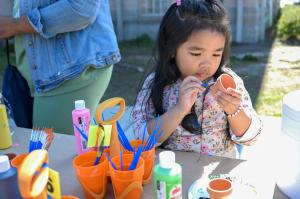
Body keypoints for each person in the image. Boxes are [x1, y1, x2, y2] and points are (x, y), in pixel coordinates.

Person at [132, 0, 262, 158]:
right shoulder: (157, 83)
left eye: (216, 54)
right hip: (174, 171)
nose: (207, 63)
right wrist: (179, 110)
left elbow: (252, 138)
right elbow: (142, 138)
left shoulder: (229, 81)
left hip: (219, 172)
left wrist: (234, 111)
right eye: (196, 53)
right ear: (172, 48)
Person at [0, 0, 120, 134]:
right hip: (45, 74)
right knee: (72, 147)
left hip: (69, 73)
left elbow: (83, 7)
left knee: (51, 151)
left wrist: (16, 25)